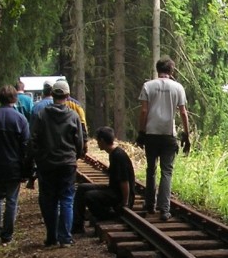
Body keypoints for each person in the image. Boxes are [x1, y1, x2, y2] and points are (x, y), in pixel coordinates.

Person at [31, 79, 86, 247]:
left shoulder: (41, 115)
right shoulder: (73, 115)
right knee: (67, 199)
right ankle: (65, 238)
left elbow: (32, 140)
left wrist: (37, 158)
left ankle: (51, 237)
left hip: (46, 164)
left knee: (50, 200)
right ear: (68, 96)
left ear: (52, 95)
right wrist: (74, 156)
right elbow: (80, 142)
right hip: (67, 164)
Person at [136, 58, 190, 221]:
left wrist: (141, 132)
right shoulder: (178, 87)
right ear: (171, 71)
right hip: (168, 135)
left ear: (157, 69)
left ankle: (149, 205)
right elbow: (183, 113)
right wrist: (187, 135)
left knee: (151, 169)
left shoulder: (148, 86)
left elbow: (144, 111)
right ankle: (164, 210)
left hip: (151, 134)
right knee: (167, 172)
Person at [0, 85, 31, 245]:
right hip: (14, 166)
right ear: (14, 99)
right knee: (11, 201)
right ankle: (7, 234)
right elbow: (26, 146)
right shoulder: (20, 119)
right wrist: (26, 170)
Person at [72, 126, 135, 233]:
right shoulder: (113, 153)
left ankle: (109, 215)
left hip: (119, 195)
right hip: (113, 189)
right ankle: (77, 225)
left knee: (89, 196)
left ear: (102, 140)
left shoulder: (118, 155)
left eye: (98, 141)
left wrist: (125, 203)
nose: (97, 143)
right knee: (82, 188)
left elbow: (124, 181)